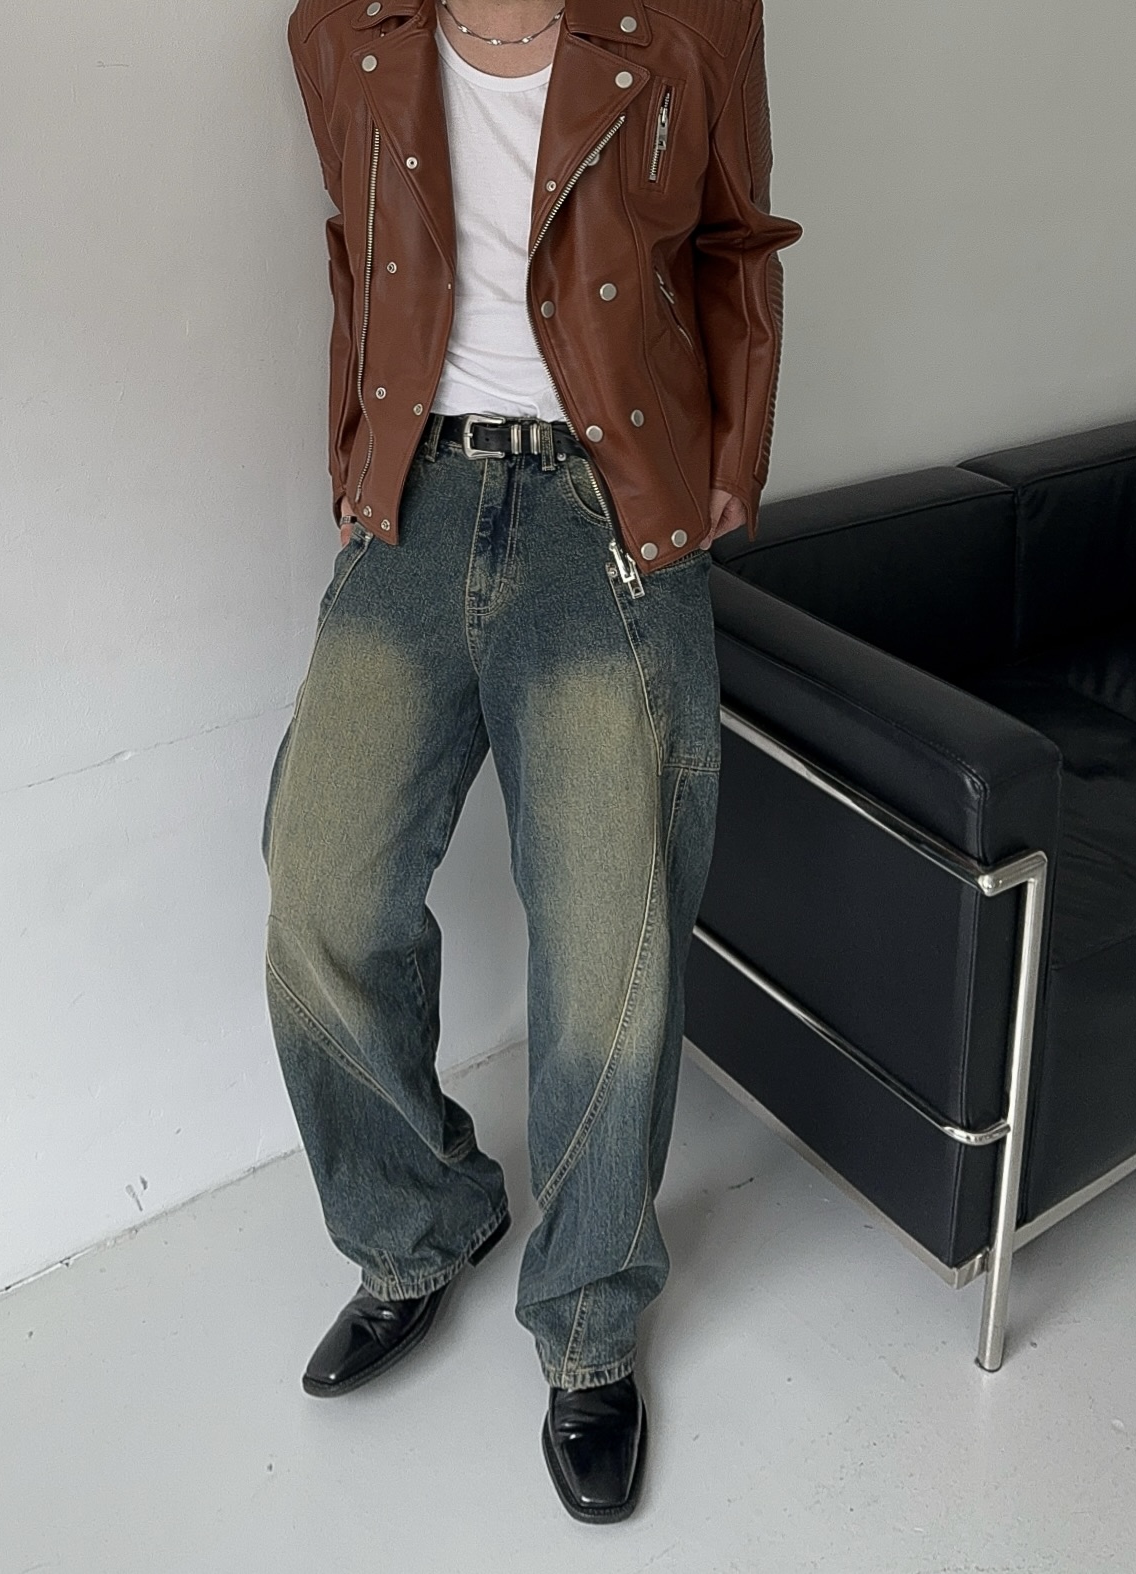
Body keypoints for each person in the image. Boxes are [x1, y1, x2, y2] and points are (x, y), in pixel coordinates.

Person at [266, 0, 801, 1523]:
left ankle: (587, 1325)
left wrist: (724, 470)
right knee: (320, 895)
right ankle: (420, 1223)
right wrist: (353, 446)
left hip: (606, 511)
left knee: (610, 946)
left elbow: (738, 246)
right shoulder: (343, 27)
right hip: (416, 502)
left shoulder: (695, 21)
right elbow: (357, 247)